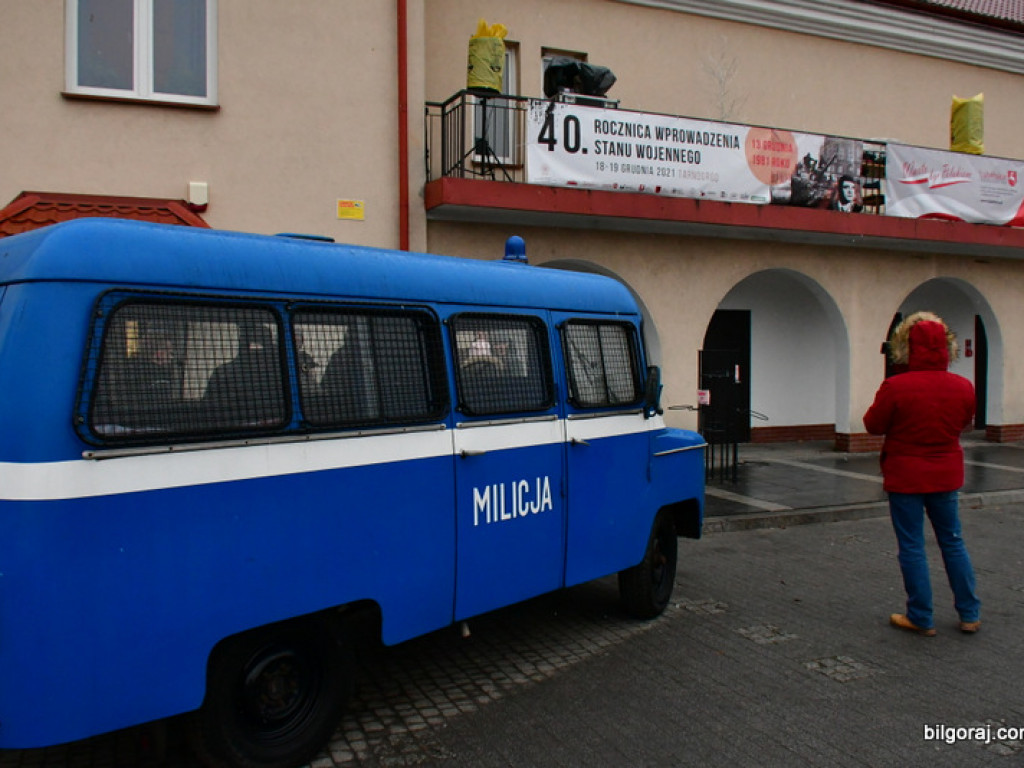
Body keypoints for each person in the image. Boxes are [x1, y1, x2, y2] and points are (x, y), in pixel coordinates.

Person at [863, 311, 980, 636]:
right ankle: (969, 613)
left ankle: (921, 616)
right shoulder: (963, 386)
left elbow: (872, 425)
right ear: (946, 347)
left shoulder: (896, 386)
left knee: (912, 545)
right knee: (952, 540)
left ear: (907, 348)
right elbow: (965, 423)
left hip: (905, 475)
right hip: (945, 474)